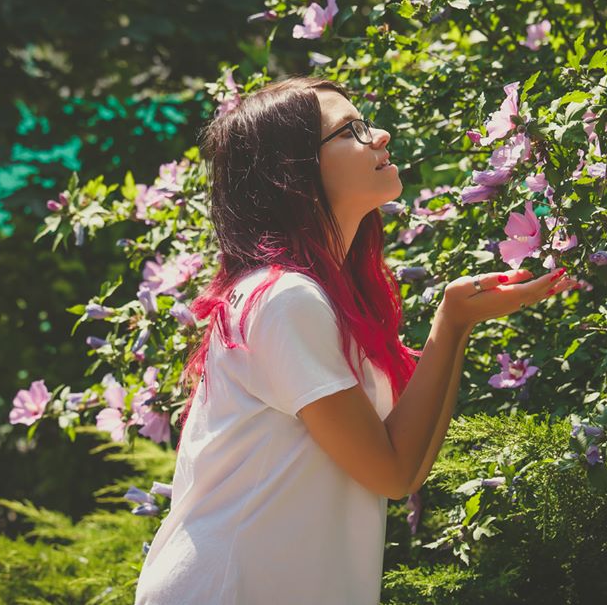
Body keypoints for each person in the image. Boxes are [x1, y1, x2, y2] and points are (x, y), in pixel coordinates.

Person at [133, 76, 578, 604]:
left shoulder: (316, 298)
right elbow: (392, 472)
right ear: (292, 172)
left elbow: (404, 466)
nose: (381, 135)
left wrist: (456, 325)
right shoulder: (284, 300)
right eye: (350, 130)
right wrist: (450, 325)